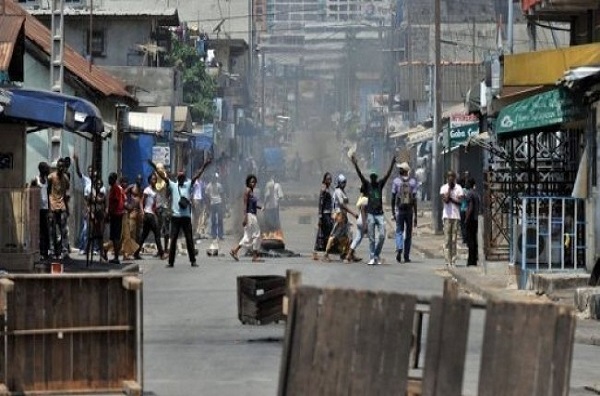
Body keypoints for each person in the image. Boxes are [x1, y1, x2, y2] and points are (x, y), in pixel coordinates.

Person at [150, 158, 211, 268]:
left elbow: (197, 175)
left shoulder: (188, 184)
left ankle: (193, 260)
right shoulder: (173, 185)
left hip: (186, 217)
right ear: (178, 178)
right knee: (173, 240)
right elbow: (163, 176)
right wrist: (154, 167)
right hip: (176, 217)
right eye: (180, 177)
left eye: (183, 177)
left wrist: (205, 165)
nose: (182, 178)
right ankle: (171, 262)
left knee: (189, 239)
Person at [350, 154, 395, 265]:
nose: (374, 178)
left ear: (376, 177)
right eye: (372, 177)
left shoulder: (380, 184)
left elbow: (387, 175)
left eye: (375, 177)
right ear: (371, 177)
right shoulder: (368, 185)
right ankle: (372, 257)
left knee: (382, 236)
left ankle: (376, 254)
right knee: (371, 238)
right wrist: (355, 164)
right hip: (370, 214)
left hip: (379, 214)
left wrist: (392, 164)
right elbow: (360, 175)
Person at [322, 174, 358, 262]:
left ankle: (347, 254)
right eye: (342, 182)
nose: (344, 184)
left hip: (344, 216)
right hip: (339, 215)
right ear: (339, 183)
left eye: (345, 182)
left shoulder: (341, 191)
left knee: (348, 236)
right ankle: (326, 254)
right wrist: (353, 213)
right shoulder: (338, 191)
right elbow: (342, 205)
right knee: (334, 235)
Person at [230, 174, 264, 262]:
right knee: (257, 234)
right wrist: (245, 217)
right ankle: (255, 256)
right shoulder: (248, 191)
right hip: (250, 216)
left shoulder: (251, 192)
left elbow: (252, 204)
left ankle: (235, 251)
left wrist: (260, 207)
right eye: (251, 182)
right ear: (248, 182)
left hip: (251, 215)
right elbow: (245, 205)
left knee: (248, 237)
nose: (253, 183)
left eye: (254, 182)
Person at [133, 173, 167, 260]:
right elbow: (141, 201)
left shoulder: (155, 190)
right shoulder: (147, 190)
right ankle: (162, 254)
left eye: (155, 179)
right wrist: (142, 211)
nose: (154, 181)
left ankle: (136, 253)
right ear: (149, 180)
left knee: (144, 235)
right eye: (152, 179)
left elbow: (154, 203)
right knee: (157, 234)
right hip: (148, 214)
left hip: (152, 213)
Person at [391, 162, 418, 263]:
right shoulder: (413, 182)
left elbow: (393, 197)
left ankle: (399, 248)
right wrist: (415, 215)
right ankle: (406, 256)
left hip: (400, 210)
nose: (399, 170)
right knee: (408, 234)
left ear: (404, 170)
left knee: (399, 231)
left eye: (400, 168)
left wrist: (393, 211)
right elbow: (414, 200)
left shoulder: (396, 181)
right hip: (409, 211)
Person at [47, 158, 71, 260]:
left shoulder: (65, 178)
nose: (61, 168)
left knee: (63, 230)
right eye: (59, 166)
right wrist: (49, 208)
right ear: (57, 167)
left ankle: (64, 251)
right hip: (53, 207)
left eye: (62, 166)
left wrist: (67, 208)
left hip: (62, 207)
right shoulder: (51, 177)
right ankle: (52, 251)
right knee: (52, 230)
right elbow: (48, 191)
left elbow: (65, 193)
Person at [440, 170, 464, 267]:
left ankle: (453, 260)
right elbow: (445, 200)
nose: (450, 178)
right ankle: (447, 260)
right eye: (449, 176)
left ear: (455, 178)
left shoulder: (459, 188)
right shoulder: (444, 188)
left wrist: (452, 199)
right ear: (447, 178)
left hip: (455, 216)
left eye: (452, 176)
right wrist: (449, 189)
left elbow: (460, 202)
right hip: (447, 216)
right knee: (447, 240)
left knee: (454, 240)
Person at [31, 162, 50, 260]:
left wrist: (49, 209)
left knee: (45, 231)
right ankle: (38, 251)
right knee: (38, 231)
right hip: (37, 209)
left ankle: (45, 252)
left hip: (45, 209)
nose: (48, 170)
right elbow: (31, 193)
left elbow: (48, 195)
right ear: (42, 169)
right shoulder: (36, 180)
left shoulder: (47, 180)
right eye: (46, 169)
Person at [312, 172, 333, 261]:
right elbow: (321, 203)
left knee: (323, 234)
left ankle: (317, 253)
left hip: (328, 214)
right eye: (328, 179)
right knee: (326, 234)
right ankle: (324, 254)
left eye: (330, 179)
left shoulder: (328, 188)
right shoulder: (324, 188)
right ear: (324, 179)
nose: (330, 180)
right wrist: (320, 217)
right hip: (325, 214)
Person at [345, 184, 368, 263]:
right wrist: (365, 225)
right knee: (371, 238)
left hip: (359, 220)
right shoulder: (366, 199)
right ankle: (375, 256)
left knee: (357, 238)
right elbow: (363, 210)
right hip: (363, 220)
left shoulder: (361, 198)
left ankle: (349, 255)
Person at [106, 172, 125, 264]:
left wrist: (109, 213)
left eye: (110, 178)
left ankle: (116, 257)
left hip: (116, 214)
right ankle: (115, 256)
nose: (109, 180)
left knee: (116, 236)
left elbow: (116, 201)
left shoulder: (115, 188)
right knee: (113, 237)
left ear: (114, 179)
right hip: (116, 214)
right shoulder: (114, 188)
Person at [88, 178, 108, 262]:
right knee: (91, 235)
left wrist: (106, 214)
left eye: (100, 184)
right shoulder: (91, 195)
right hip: (93, 217)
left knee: (100, 236)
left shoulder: (103, 195)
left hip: (101, 216)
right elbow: (88, 205)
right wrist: (91, 213)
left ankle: (102, 255)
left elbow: (106, 206)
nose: (98, 185)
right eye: (97, 184)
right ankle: (90, 253)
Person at [154, 163, 171, 255]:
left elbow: (169, 195)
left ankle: (165, 248)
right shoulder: (154, 182)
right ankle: (160, 249)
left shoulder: (167, 183)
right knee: (158, 230)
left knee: (166, 230)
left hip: (165, 208)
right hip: (157, 208)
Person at [465, 178, 480, 266]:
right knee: (474, 240)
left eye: (467, 183)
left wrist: (466, 218)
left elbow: (470, 207)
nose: (465, 185)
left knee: (470, 240)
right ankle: (474, 260)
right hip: (475, 219)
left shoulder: (469, 194)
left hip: (470, 219)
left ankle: (471, 260)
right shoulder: (477, 194)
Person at [205, 172, 224, 240]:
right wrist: (207, 206)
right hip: (212, 204)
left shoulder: (219, 185)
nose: (214, 179)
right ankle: (214, 235)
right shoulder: (208, 186)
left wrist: (223, 204)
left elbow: (222, 195)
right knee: (213, 220)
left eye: (215, 178)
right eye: (213, 178)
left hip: (219, 202)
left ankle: (220, 235)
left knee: (220, 219)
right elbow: (207, 197)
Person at [459, 171, 469, 245]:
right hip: (468, 210)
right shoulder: (470, 192)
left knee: (463, 225)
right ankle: (466, 238)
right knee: (466, 224)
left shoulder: (461, 191)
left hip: (462, 210)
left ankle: (464, 238)